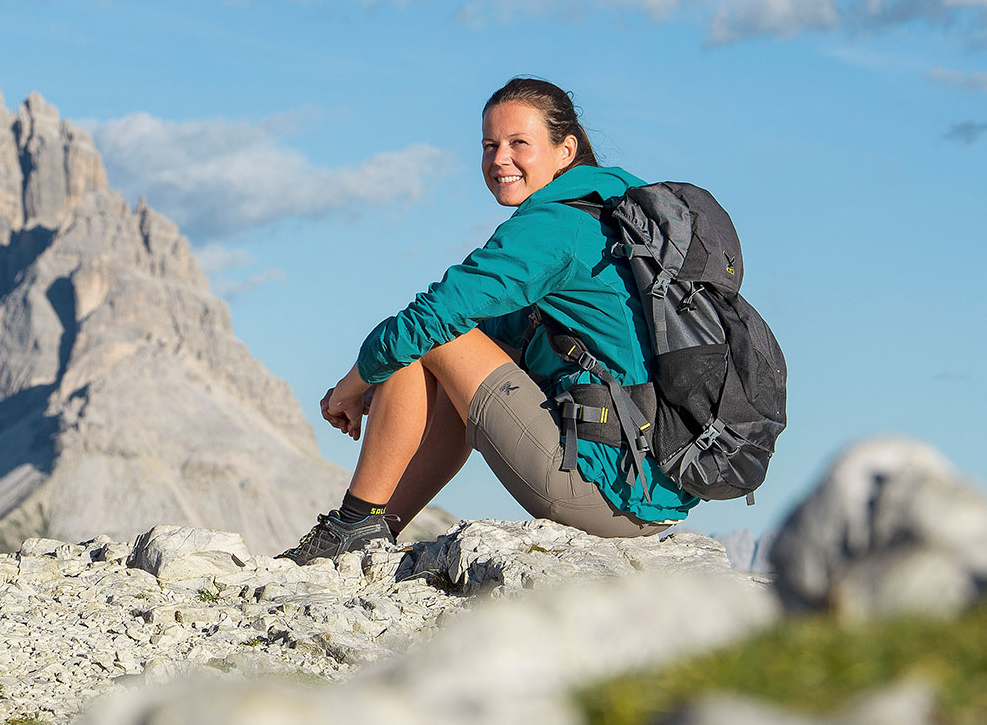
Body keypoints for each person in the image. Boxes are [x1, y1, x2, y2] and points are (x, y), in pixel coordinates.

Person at [280, 77, 697, 563]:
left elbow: (433, 319)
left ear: (566, 150)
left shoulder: (554, 227)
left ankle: (353, 526)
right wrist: (382, 390)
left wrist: (352, 385)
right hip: (648, 488)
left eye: (519, 143)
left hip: (606, 490)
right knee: (428, 345)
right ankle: (371, 532)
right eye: (489, 145)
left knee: (430, 332)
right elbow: (492, 342)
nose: (500, 158)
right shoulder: (610, 214)